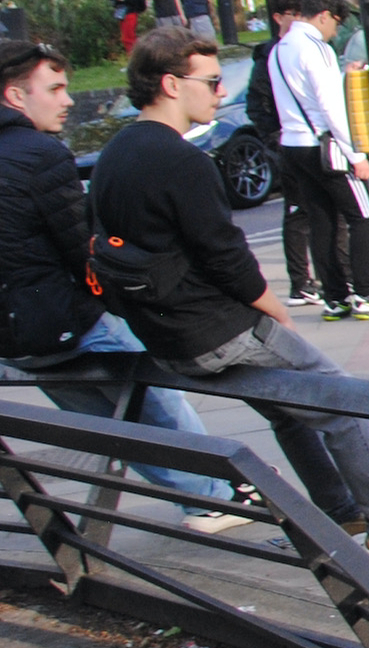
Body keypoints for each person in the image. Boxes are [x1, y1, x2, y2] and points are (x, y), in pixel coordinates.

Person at [89, 29, 369, 561]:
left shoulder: (117, 153)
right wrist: (275, 309)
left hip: (165, 336)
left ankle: (342, 510)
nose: (220, 93)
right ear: (173, 84)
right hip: (216, 328)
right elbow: (227, 259)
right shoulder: (184, 161)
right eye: (213, 81)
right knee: (339, 402)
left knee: (288, 411)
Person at [0, 39, 251, 534]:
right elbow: (82, 249)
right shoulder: (40, 154)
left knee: (111, 425)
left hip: (15, 339)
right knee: (162, 399)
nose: (67, 100)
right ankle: (218, 495)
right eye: (54, 89)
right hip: (69, 321)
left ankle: (207, 496)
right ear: (15, 96)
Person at [268, 0, 369, 320]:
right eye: (336, 23)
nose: (335, 31)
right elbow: (331, 106)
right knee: (362, 215)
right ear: (324, 15)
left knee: (322, 221)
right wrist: (356, 154)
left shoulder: (279, 49)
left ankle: (335, 297)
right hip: (325, 144)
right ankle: (367, 293)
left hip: (293, 144)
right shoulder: (317, 49)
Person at [244, 0, 329, 307]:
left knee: (319, 210)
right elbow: (257, 103)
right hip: (289, 141)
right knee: (298, 211)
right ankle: (301, 281)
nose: (299, 19)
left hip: (312, 139)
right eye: (293, 13)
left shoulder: (306, 47)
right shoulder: (269, 55)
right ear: (278, 17)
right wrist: (274, 136)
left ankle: (326, 278)